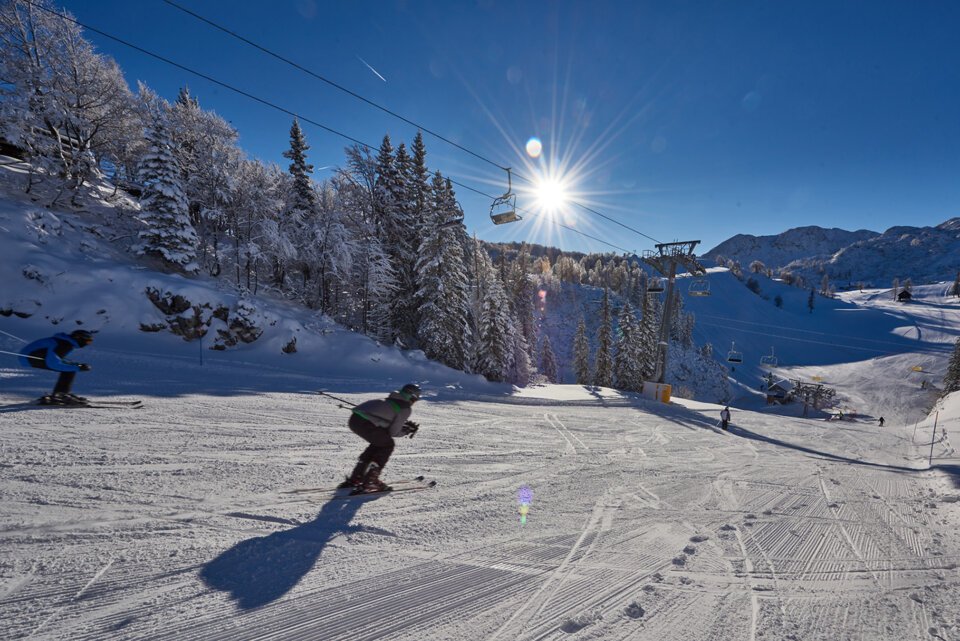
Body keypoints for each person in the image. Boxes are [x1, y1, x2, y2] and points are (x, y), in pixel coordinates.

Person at [339, 383, 421, 492]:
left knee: (379, 443)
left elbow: (383, 421)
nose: (413, 403)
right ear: (412, 397)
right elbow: (393, 432)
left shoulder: (391, 399)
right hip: (365, 423)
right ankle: (370, 482)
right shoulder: (405, 407)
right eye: (415, 400)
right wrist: (405, 431)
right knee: (388, 444)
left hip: (354, 420)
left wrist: (402, 426)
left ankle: (356, 478)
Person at [19, 330, 94, 405]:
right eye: (88, 342)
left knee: (70, 368)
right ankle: (60, 395)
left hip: (29, 357)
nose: (87, 344)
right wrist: (77, 368)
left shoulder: (64, 342)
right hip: (29, 358)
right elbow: (53, 364)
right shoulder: (64, 344)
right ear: (79, 338)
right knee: (69, 370)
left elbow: (55, 358)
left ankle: (60, 394)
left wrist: (74, 365)